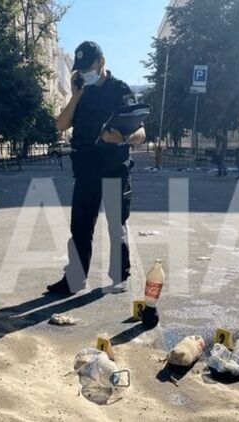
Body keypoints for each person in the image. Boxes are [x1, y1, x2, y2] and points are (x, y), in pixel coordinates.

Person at [46, 41, 146, 296]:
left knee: (115, 224)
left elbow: (141, 132)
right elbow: (61, 125)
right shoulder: (82, 92)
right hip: (86, 169)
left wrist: (123, 138)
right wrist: (75, 96)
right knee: (80, 226)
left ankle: (119, 276)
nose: (84, 73)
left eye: (88, 68)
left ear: (102, 62)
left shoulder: (120, 90)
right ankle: (74, 279)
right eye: (80, 69)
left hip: (114, 168)